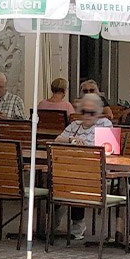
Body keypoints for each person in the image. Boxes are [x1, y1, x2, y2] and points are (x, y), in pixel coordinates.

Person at [54, 93, 116, 240]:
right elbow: (57, 140)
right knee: (54, 180)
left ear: (99, 112)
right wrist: (71, 139)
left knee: (76, 181)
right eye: (84, 112)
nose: (87, 115)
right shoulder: (74, 126)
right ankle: (50, 223)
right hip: (72, 171)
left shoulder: (105, 124)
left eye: (92, 112)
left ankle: (76, 223)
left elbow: (109, 150)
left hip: (95, 173)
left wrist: (86, 146)